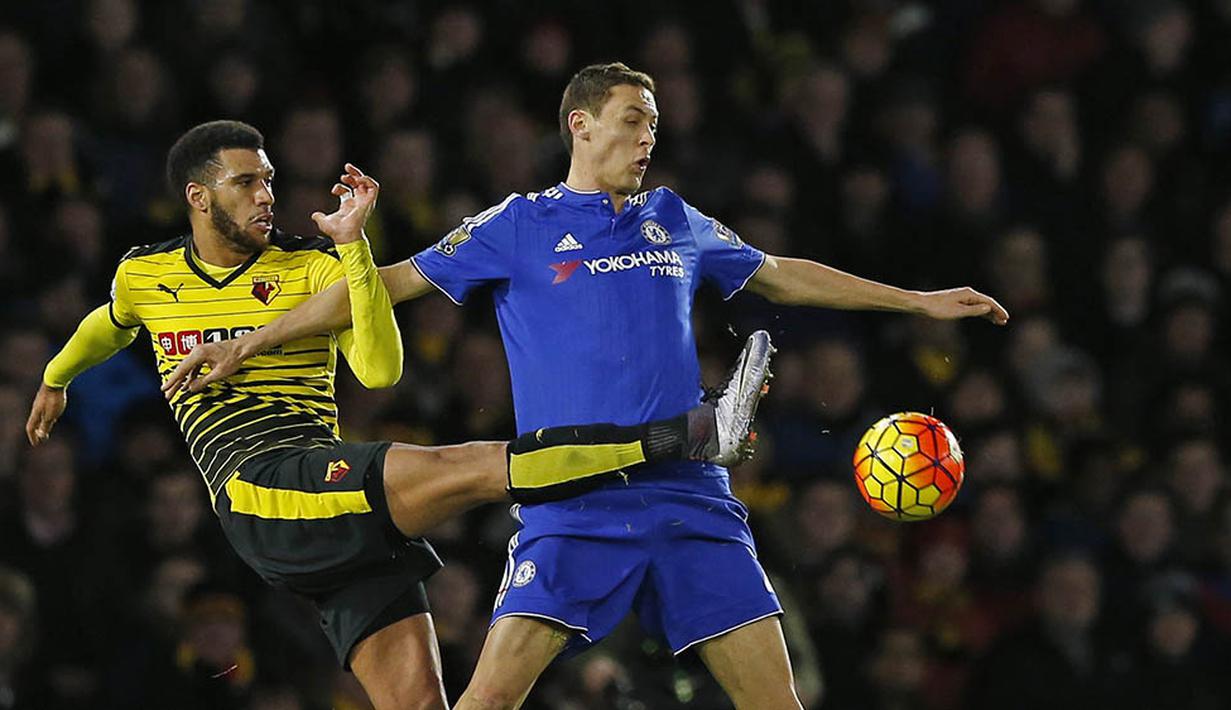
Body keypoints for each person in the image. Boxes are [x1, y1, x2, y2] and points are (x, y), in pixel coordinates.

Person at [165, 64, 1009, 709]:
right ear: (581, 124)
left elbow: (780, 273)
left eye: (654, 125)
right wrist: (252, 341)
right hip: (573, 510)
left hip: (692, 501)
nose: (647, 139)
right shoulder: (516, 224)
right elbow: (379, 287)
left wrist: (916, 302)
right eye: (633, 121)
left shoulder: (673, 218)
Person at [24, 120, 769, 710]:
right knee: (472, 466)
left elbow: (379, 370)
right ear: (198, 195)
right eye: (246, 182)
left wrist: (353, 250)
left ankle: (687, 434)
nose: (266, 195)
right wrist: (57, 378)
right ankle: (690, 433)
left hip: (330, 492)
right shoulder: (145, 272)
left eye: (270, 179)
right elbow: (108, 324)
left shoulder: (309, 268)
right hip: (260, 488)